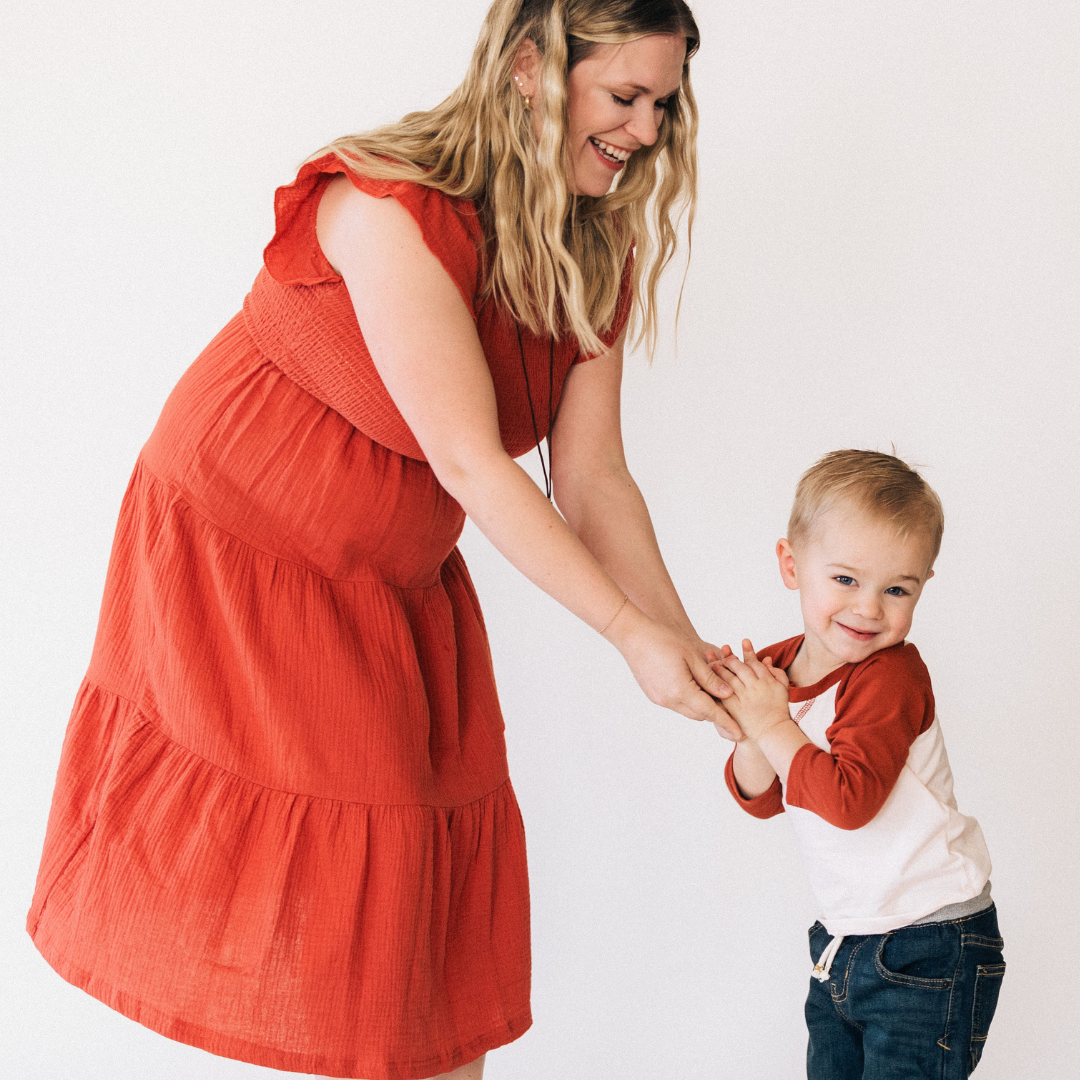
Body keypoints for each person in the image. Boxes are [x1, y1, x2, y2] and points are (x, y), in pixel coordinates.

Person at [27, 2, 738, 1078]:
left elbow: (593, 480)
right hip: (243, 552)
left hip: (392, 577)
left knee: (421, 913)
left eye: (664, 104)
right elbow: (467, 459)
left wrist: (683, 652)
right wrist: (624, 631)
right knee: (352, 898)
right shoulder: (385, 207)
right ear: (532, 71)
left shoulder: (597, 239)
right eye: (626, 98)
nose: (645, 131)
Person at [714, 450, 1004, 1080]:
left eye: (897, 589)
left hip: (930, 941)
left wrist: (770, 723)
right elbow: (765, 795)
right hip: (846, 941)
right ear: (793, 566)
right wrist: (746, 729)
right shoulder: (778, 668)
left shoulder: (890, 676)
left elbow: (848, 801)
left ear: (924, 584)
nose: (870, 609)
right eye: (845, 580)